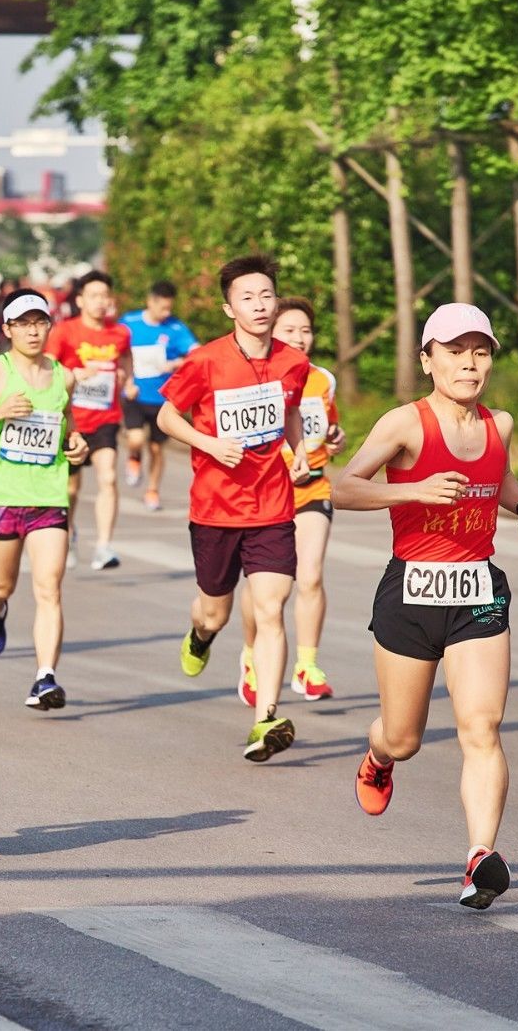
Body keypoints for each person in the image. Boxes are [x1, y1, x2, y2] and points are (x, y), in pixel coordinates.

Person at [332, 303, 518, 910]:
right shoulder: (405, 423)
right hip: (411, 589)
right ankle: (378, 757)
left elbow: (497, 477)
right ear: (428, 360)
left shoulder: (498, 424)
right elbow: (343, 488)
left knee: (482, 727)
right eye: (455, 351)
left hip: (476, 589)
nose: (469, 362)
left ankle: (481, 857)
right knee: (405, 739)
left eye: (480, 351)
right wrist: (413, 489)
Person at [157, 255, 310, 762]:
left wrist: (299, 449)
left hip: (271, 506)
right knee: (215, 611)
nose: (260, 305)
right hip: (216, 508)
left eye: (266, 295)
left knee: (271, 609)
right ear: (229, 308)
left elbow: (289, 410)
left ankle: (266, 717)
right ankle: (200, 635)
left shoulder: (293, 360)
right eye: (248, 297)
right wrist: (208, 443)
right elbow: (166, 416)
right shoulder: (206, 360)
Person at [0, 289, 89, 709]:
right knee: (3, 584)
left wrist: (77, 445)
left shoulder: (63, 376)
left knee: (49, 587)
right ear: (7, 329)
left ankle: (45, 677)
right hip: (2, 496)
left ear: (49, 325)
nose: (33, 331)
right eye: (23, 324)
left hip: (49, 496)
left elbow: (67, 427)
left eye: (40, 322)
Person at [240, 296, 345, 702]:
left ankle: (307, 665)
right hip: (264, 495)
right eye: (290, 330)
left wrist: (337, 439)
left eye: (306, 330)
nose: (300, 338)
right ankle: (252, 656)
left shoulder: (323, 379)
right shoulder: (255, 378)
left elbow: (331, 430)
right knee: (267, 591)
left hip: (312, 488)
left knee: (311, 574)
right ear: (270, 332)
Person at [47, 270, 131, 570]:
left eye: (104, 296)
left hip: (106, 418)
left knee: (108, 476)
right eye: (93, 296)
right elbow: (48, 366)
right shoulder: (64, 331)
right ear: (80, 299)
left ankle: (104, 546)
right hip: (72, 421)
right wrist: (73, 375)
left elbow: (124, 359)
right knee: (70, 489)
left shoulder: (119, 332)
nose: (100, 302)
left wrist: (127, 378)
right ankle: (69, 534)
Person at [120, 280, 197, 511]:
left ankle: (152, 489)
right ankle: (134, 457)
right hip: (135, 394)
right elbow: (116, 354)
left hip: (163, 400)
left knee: (156, 449)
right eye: (162, 308)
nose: (167, 312)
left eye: (169, 308)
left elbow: (196, 353)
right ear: (150, 302)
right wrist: (126, 381)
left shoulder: (176, 328)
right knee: (135, 439)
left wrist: (176, 363)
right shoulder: (129, 323)